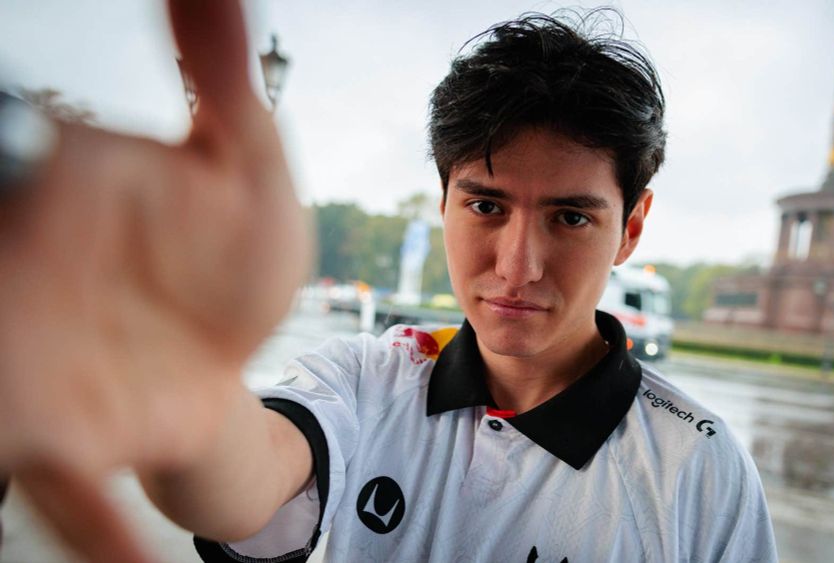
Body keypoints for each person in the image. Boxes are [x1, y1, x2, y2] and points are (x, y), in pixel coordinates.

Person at [0, 1, 777, 561]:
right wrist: (185, 391)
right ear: (442, 202)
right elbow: (251, 472)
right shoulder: (371, 380)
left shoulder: (698, 468)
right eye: (486, 205)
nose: (517, 265)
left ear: (631, 227)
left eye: (570, 217)